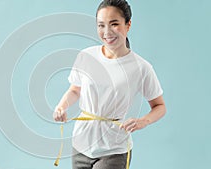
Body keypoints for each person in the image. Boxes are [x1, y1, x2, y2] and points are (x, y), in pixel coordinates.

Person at [53, 0, 166, 168]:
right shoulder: (86, 56)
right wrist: (61, 106)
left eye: (114, 24)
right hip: (81, 145)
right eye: (101, 25)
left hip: (114, 149)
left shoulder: (141, 67)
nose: (107, 32)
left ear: (128, 25)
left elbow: (160, 106)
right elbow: (75, 90)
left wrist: (143, 121)